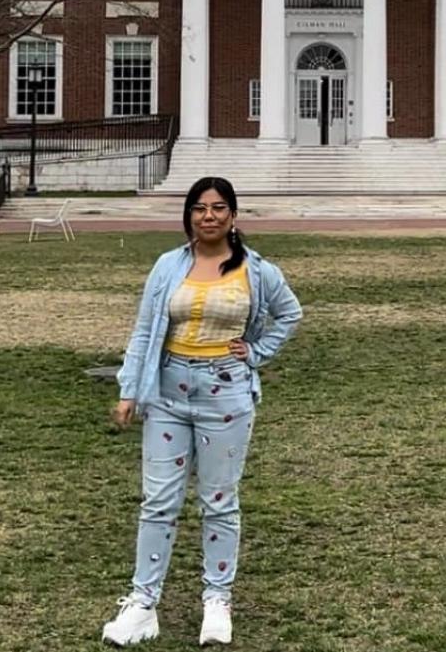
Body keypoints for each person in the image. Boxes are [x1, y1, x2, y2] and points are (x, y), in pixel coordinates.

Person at [103, 176, 302, 647]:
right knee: (159, 501)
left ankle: (217, 600)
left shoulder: (255, 269)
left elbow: (289, 313)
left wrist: (254, 352)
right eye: (199, 208)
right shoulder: (169, 265)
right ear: (189, 215)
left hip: (225, 394)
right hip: (168, 393)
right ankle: (142, 603)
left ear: (233, 215)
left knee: (219, 501)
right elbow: (145, 327)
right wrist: (130, 390)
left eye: (217, 208)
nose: (207, 216)